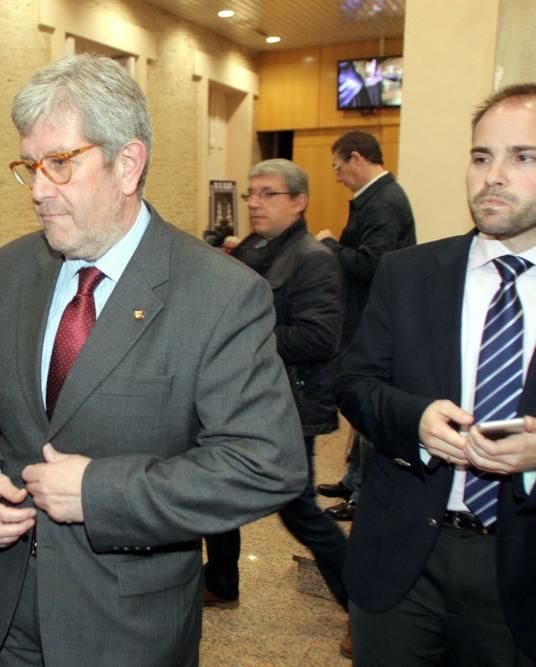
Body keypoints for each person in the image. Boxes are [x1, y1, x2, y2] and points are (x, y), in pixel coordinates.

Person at [0, 53, 306, 666]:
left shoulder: (220, 293)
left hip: (130, 631)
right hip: (11, 618)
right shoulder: (13, 270)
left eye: (59, 163)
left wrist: (99, 492)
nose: (37, 189)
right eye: (29, 166)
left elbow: (264, 464)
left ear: (128, 164)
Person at [336, 83, 536, 664]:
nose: (492, 176)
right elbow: (355, 383)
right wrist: (416, 419)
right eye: (481, 157)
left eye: (523, 157)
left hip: (520, 575)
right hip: (403, 563)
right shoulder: (410, 273)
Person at [203, 160, 348, 628]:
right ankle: (222, 580)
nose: (254, 203)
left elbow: (319, 338)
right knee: (217, 489)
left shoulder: (313, 258)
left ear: (299, 202)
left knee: (299, 510)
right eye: (251, 194)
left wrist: (245, 334)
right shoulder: (253, 247)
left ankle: (363, 606)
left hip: (290, 402)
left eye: (268, 194)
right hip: (238, 395)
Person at [315, 129, 416, 521]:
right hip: (367, 314)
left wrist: (330, 246)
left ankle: (364, 492)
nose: (337, 176)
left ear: (357, 158)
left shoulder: (383, 202)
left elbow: (374, 263)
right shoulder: (375, 198)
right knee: (360, 405)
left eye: (338, 167)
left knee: (368, 404)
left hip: (378, 318)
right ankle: (354, 478)